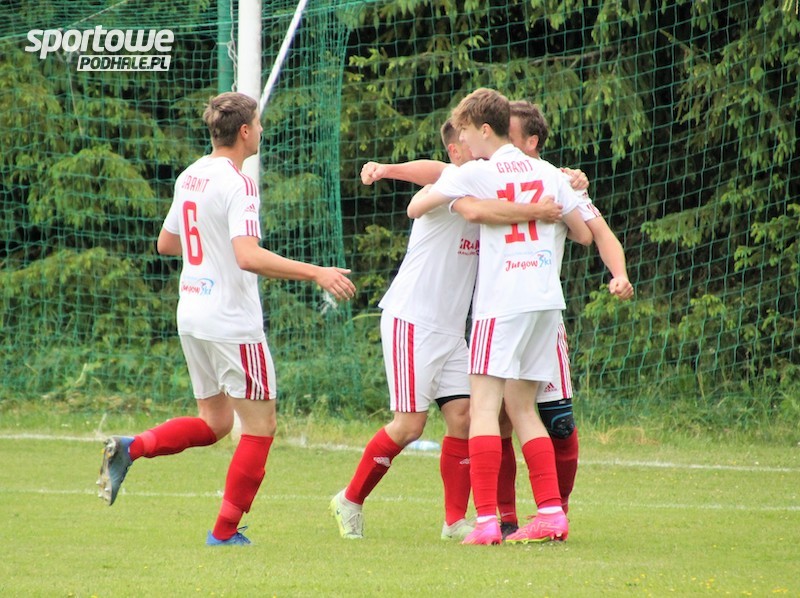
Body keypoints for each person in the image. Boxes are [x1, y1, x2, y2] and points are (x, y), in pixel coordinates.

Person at [96, 91, 356, 546]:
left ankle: (132, 447)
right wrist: (317, 272)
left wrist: (211, 244)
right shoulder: (239, 183)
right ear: (245, 131)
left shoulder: (191, 175)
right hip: (232, 322)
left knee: (215, 422)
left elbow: (166, 243)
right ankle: (224, 532)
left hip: (192, 313)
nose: (262, 130)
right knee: (260, 427)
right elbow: (247, 256)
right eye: (259, 123)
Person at [330, 119, 584, 541]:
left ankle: (454, 521)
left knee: (465, 417)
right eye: (465, 142)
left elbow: (534, 183)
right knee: (409, 426)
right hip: (412, 320)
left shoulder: (491, 183)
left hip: (452, 331)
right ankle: (350, 499)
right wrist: (388, 170)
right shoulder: (453, 183)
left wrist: (571, 179)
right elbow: (437, 175)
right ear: (456, 151)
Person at [407, 87, 592, 545]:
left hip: (502, 301)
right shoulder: (548, 173)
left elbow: (417, 206)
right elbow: (583, 234)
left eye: (466, 133)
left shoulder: (477, 172)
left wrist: (467, 200)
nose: (463, 143)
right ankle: (551, 513)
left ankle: (487, 521)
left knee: (486, 408)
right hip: (546, 301)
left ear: (484, 129)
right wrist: (540, 212)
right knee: (524, 408)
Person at [495, 100, 635, 537]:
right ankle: (504, 518)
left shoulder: (558, 180)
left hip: (542, 314)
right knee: (498, 419)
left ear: (531, 141)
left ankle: (557, 509)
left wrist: (619, 275)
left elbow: (597, 234)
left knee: (559, 421)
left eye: (508, 134)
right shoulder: (486, 175)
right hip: (498, 312)